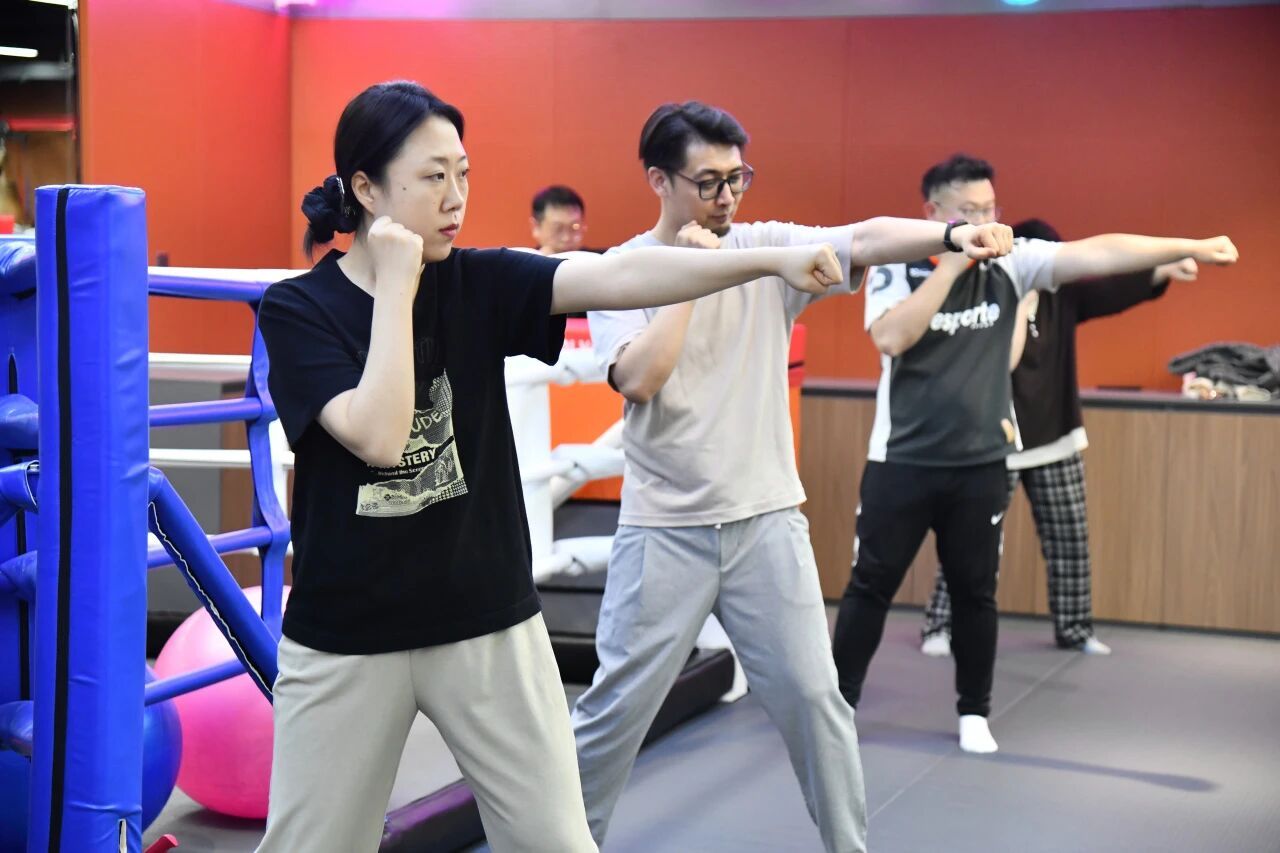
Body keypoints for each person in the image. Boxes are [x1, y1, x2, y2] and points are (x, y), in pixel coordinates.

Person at [254, 80, 847, 853]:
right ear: (366, 189)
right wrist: (397, 288)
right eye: (433, 177)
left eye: (463, 172)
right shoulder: (298, 308)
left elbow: (619, 277)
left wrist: (770, 261)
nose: (456, 196)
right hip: (347, 633)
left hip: (487, 623)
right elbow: (380, 436)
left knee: (556, 843)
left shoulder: (482, 280)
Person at [573, 102, 1014, 853]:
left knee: (818, 702)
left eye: (737, 178)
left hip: (767, 525)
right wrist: (689, 274)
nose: (726, 197)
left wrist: (950, 236)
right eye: (708, 182)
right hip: (665, 531)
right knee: (614, 713)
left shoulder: (767, 248)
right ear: (659, 180)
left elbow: (864, 237)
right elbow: (641, 379)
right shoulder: (623, 270)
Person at [830, 153, 1238, 754]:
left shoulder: (1014, 262)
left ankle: (974, 712)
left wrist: (1189, 245)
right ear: (935, 214)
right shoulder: (899, 265)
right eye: (968, 211)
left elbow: (1097, 253)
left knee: (976, 591)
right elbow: (892, 337)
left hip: (981, 463)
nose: (984, 220)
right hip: (902, 460)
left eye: (990, 208)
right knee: (871, 585)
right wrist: (951, 263)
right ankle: (838, 706)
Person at [920, 217, 1199, 658]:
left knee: (1069, 539)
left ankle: (1075, 629)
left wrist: (1161, 269)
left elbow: (1111, 287)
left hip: (1055, 435)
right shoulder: (989, 292)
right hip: (996, 440)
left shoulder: (1063, 296)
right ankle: (940, 625)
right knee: (971, 539)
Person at [531, 184, 588, 255]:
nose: (566, 238)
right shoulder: (523, 261)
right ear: (536, 227)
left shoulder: (597, 260)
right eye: (557, 228)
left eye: (574, 227)